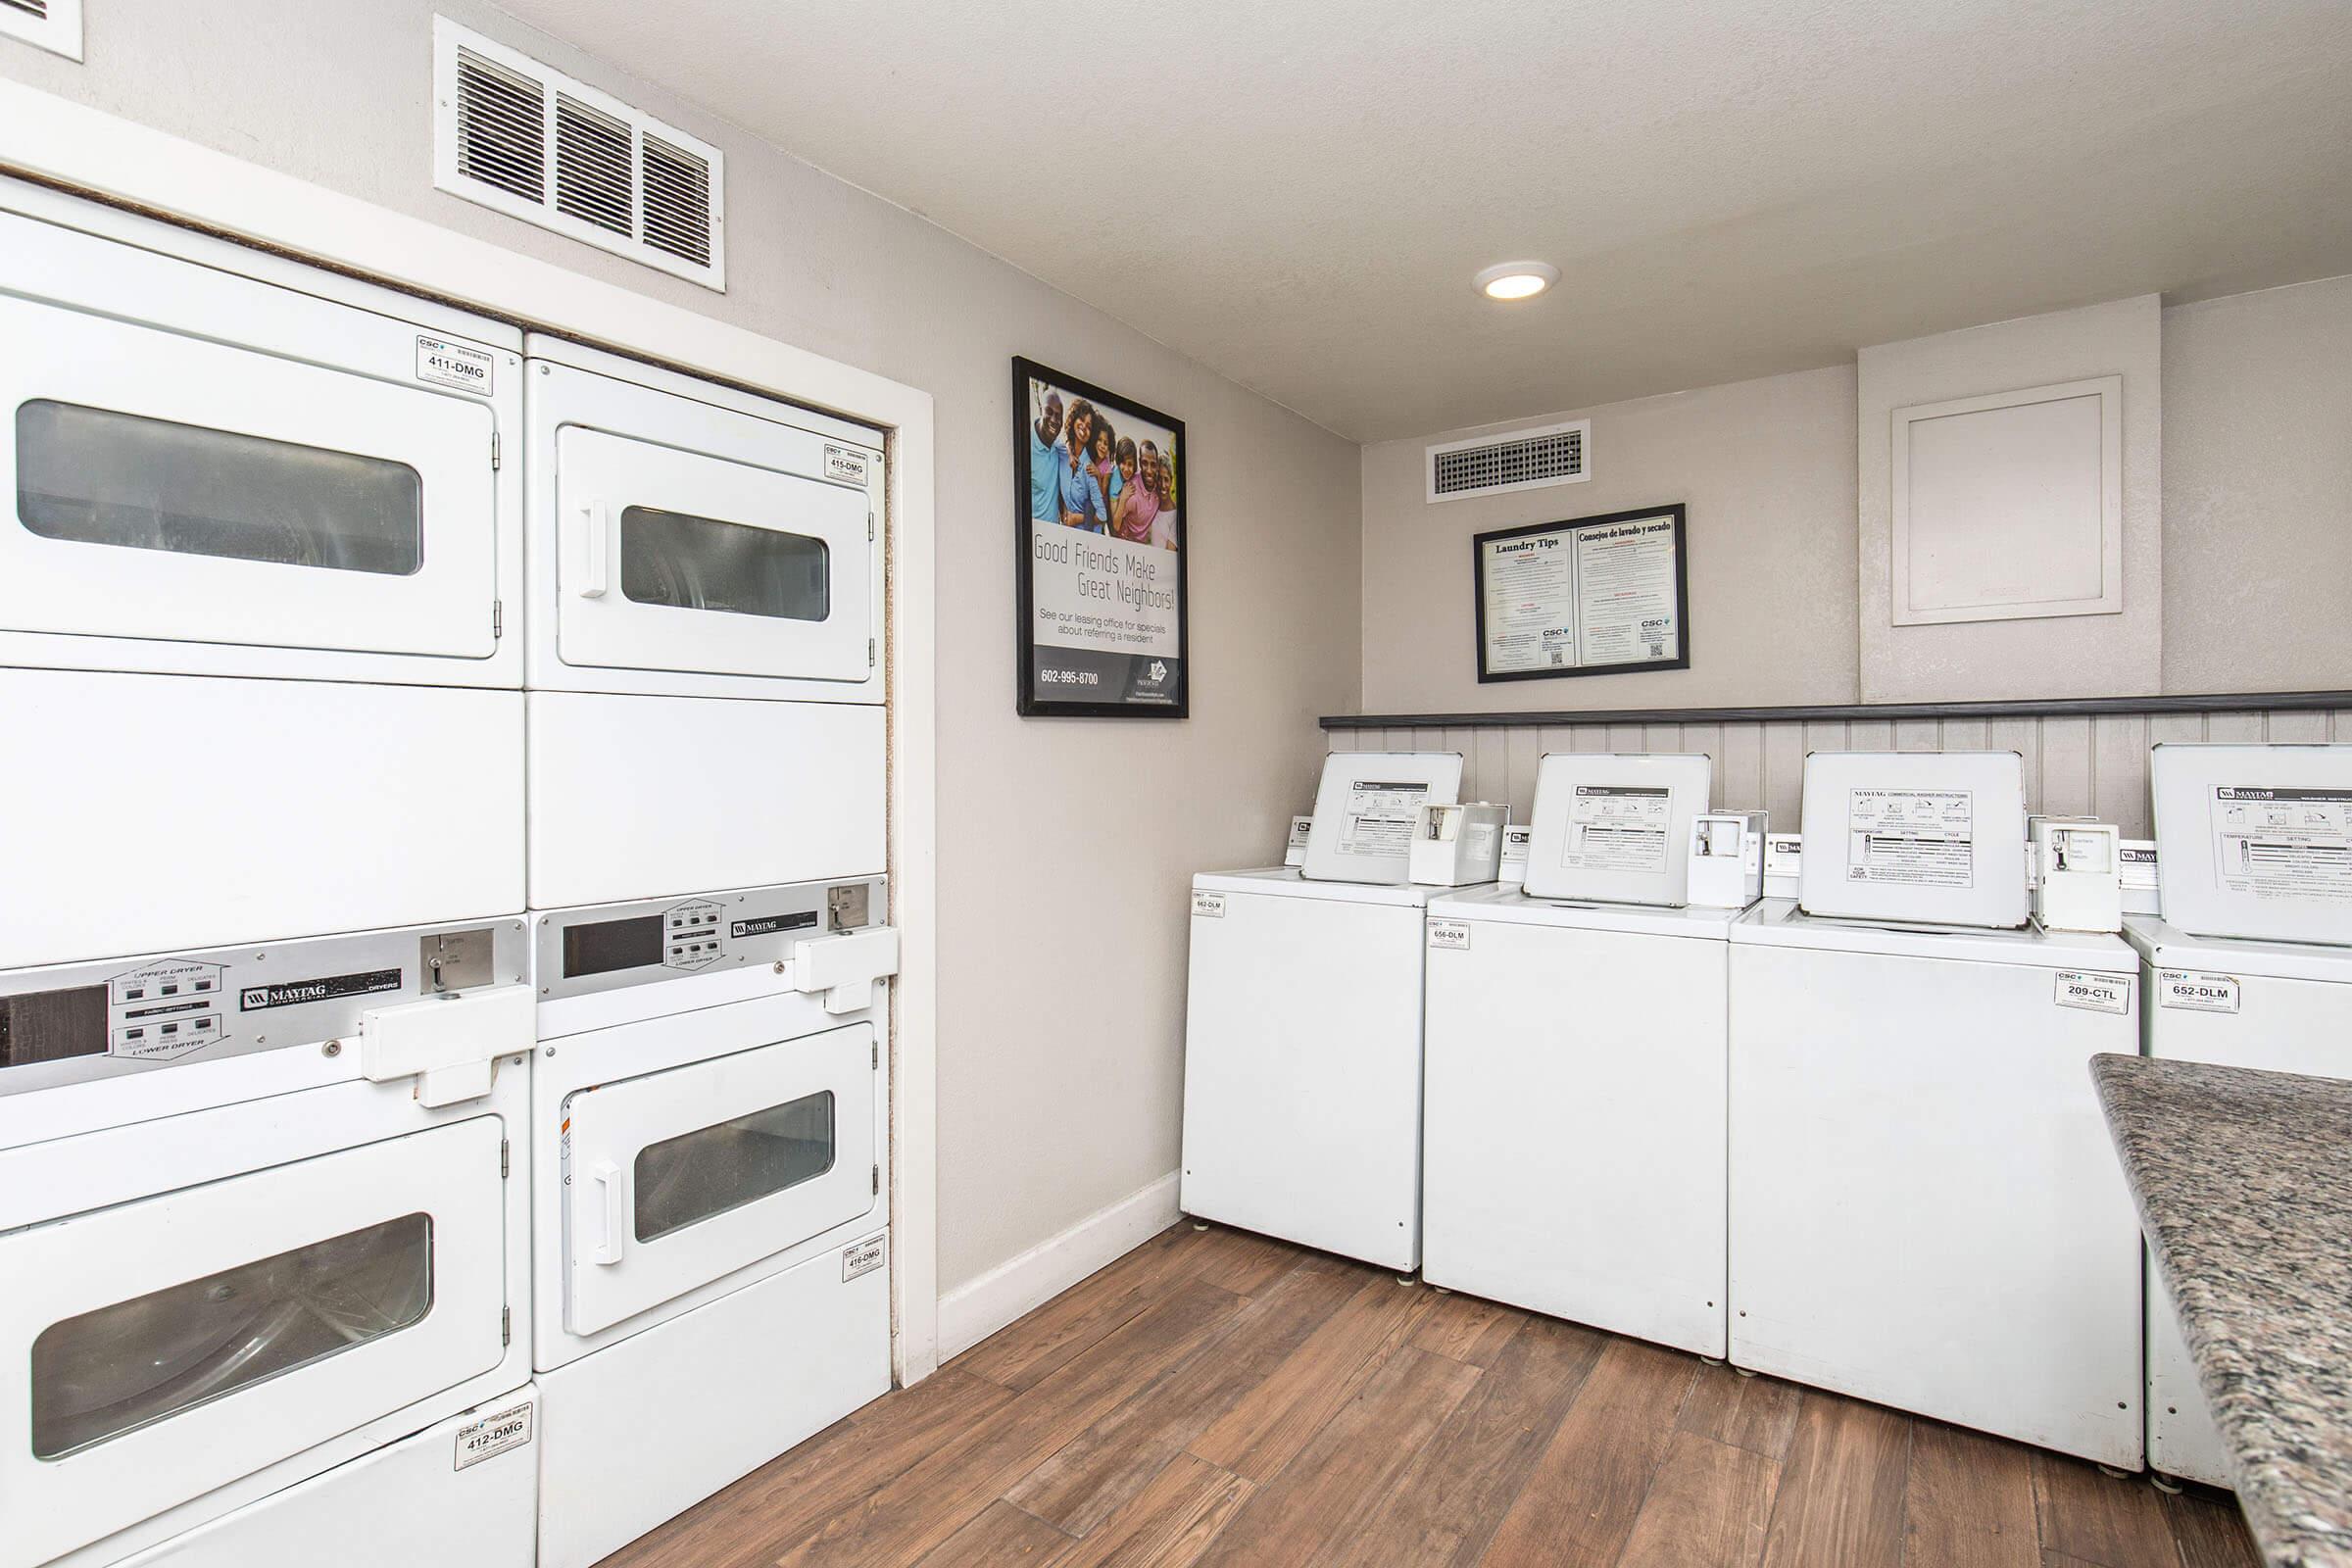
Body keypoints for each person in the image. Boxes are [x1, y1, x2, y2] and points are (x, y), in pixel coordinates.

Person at [1057, 398, 1107, 530]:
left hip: (1087, 544)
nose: (1084, 426)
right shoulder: (1062, 454)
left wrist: (1076, 518)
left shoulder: (1088, 468)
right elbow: (1053, 442)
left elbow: (1102, 516)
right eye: (1081, 419)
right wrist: (1069, 451)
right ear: (1073, 420)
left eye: (1089, 426)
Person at [1027, 391, 1064, 527]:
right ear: (1041, 411)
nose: (1054, 420)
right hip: (1031, 537)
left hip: (1052, 541)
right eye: (1049, 412)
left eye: (1059, 416)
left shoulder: (1058, 448)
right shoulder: (1026, 446)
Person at [1111, 437, 1157, 543]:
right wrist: (1122, 499)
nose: (1149, 470)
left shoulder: (1159, 488)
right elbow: (1116, 526)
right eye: (1145, 463)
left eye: (1153, 464)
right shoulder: (1130, 491)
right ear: (1140, 463)